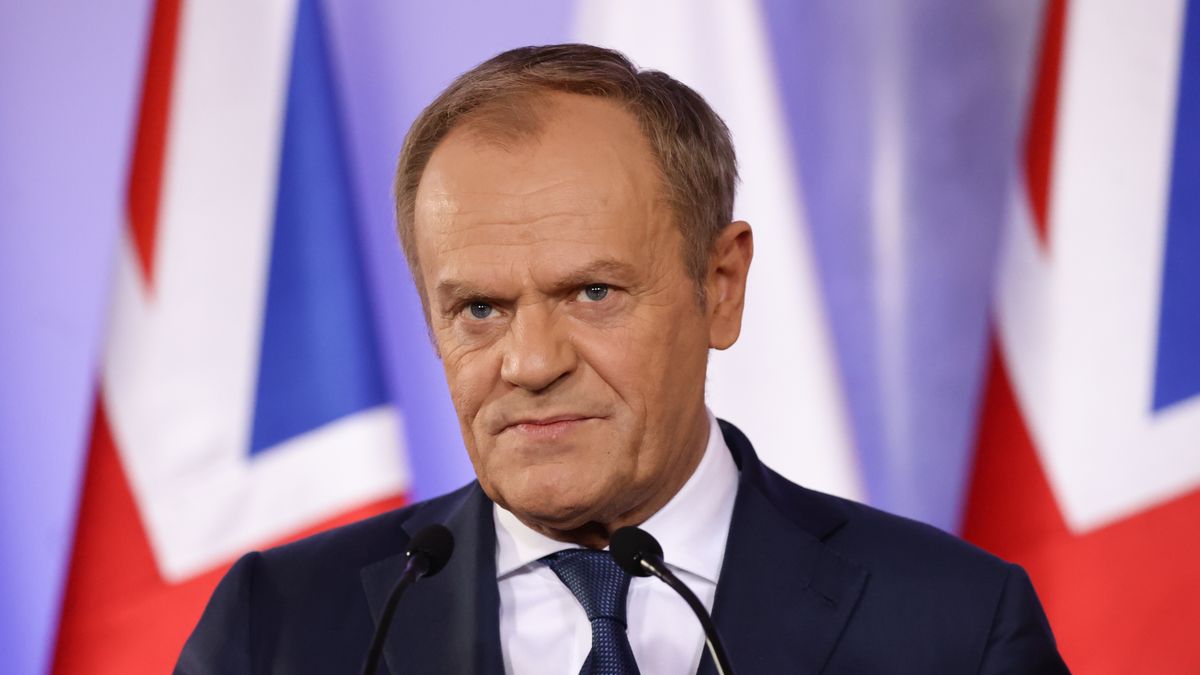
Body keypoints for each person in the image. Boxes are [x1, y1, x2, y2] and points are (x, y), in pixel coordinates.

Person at [176, 44, 1069, 674]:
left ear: (719, 286)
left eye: (592, 293)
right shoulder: (283, 626)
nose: (529, 362)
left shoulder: (950, 628)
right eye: (479, 308)